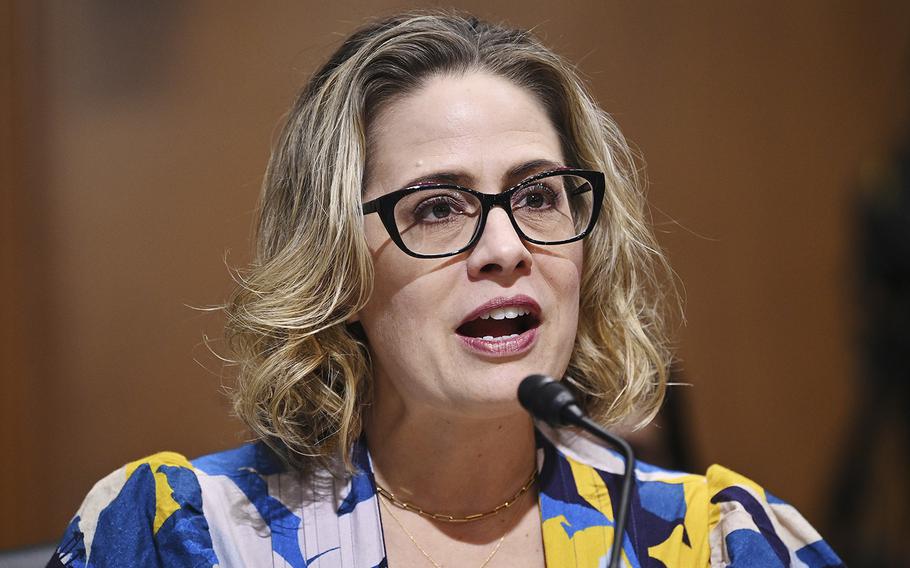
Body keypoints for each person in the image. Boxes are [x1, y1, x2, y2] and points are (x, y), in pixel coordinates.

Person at [49, 11, 843, 568]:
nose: (506, 248)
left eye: (539, 196)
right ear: (337, 265)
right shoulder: (184, 536)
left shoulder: (720, 542)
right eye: (436, 207)